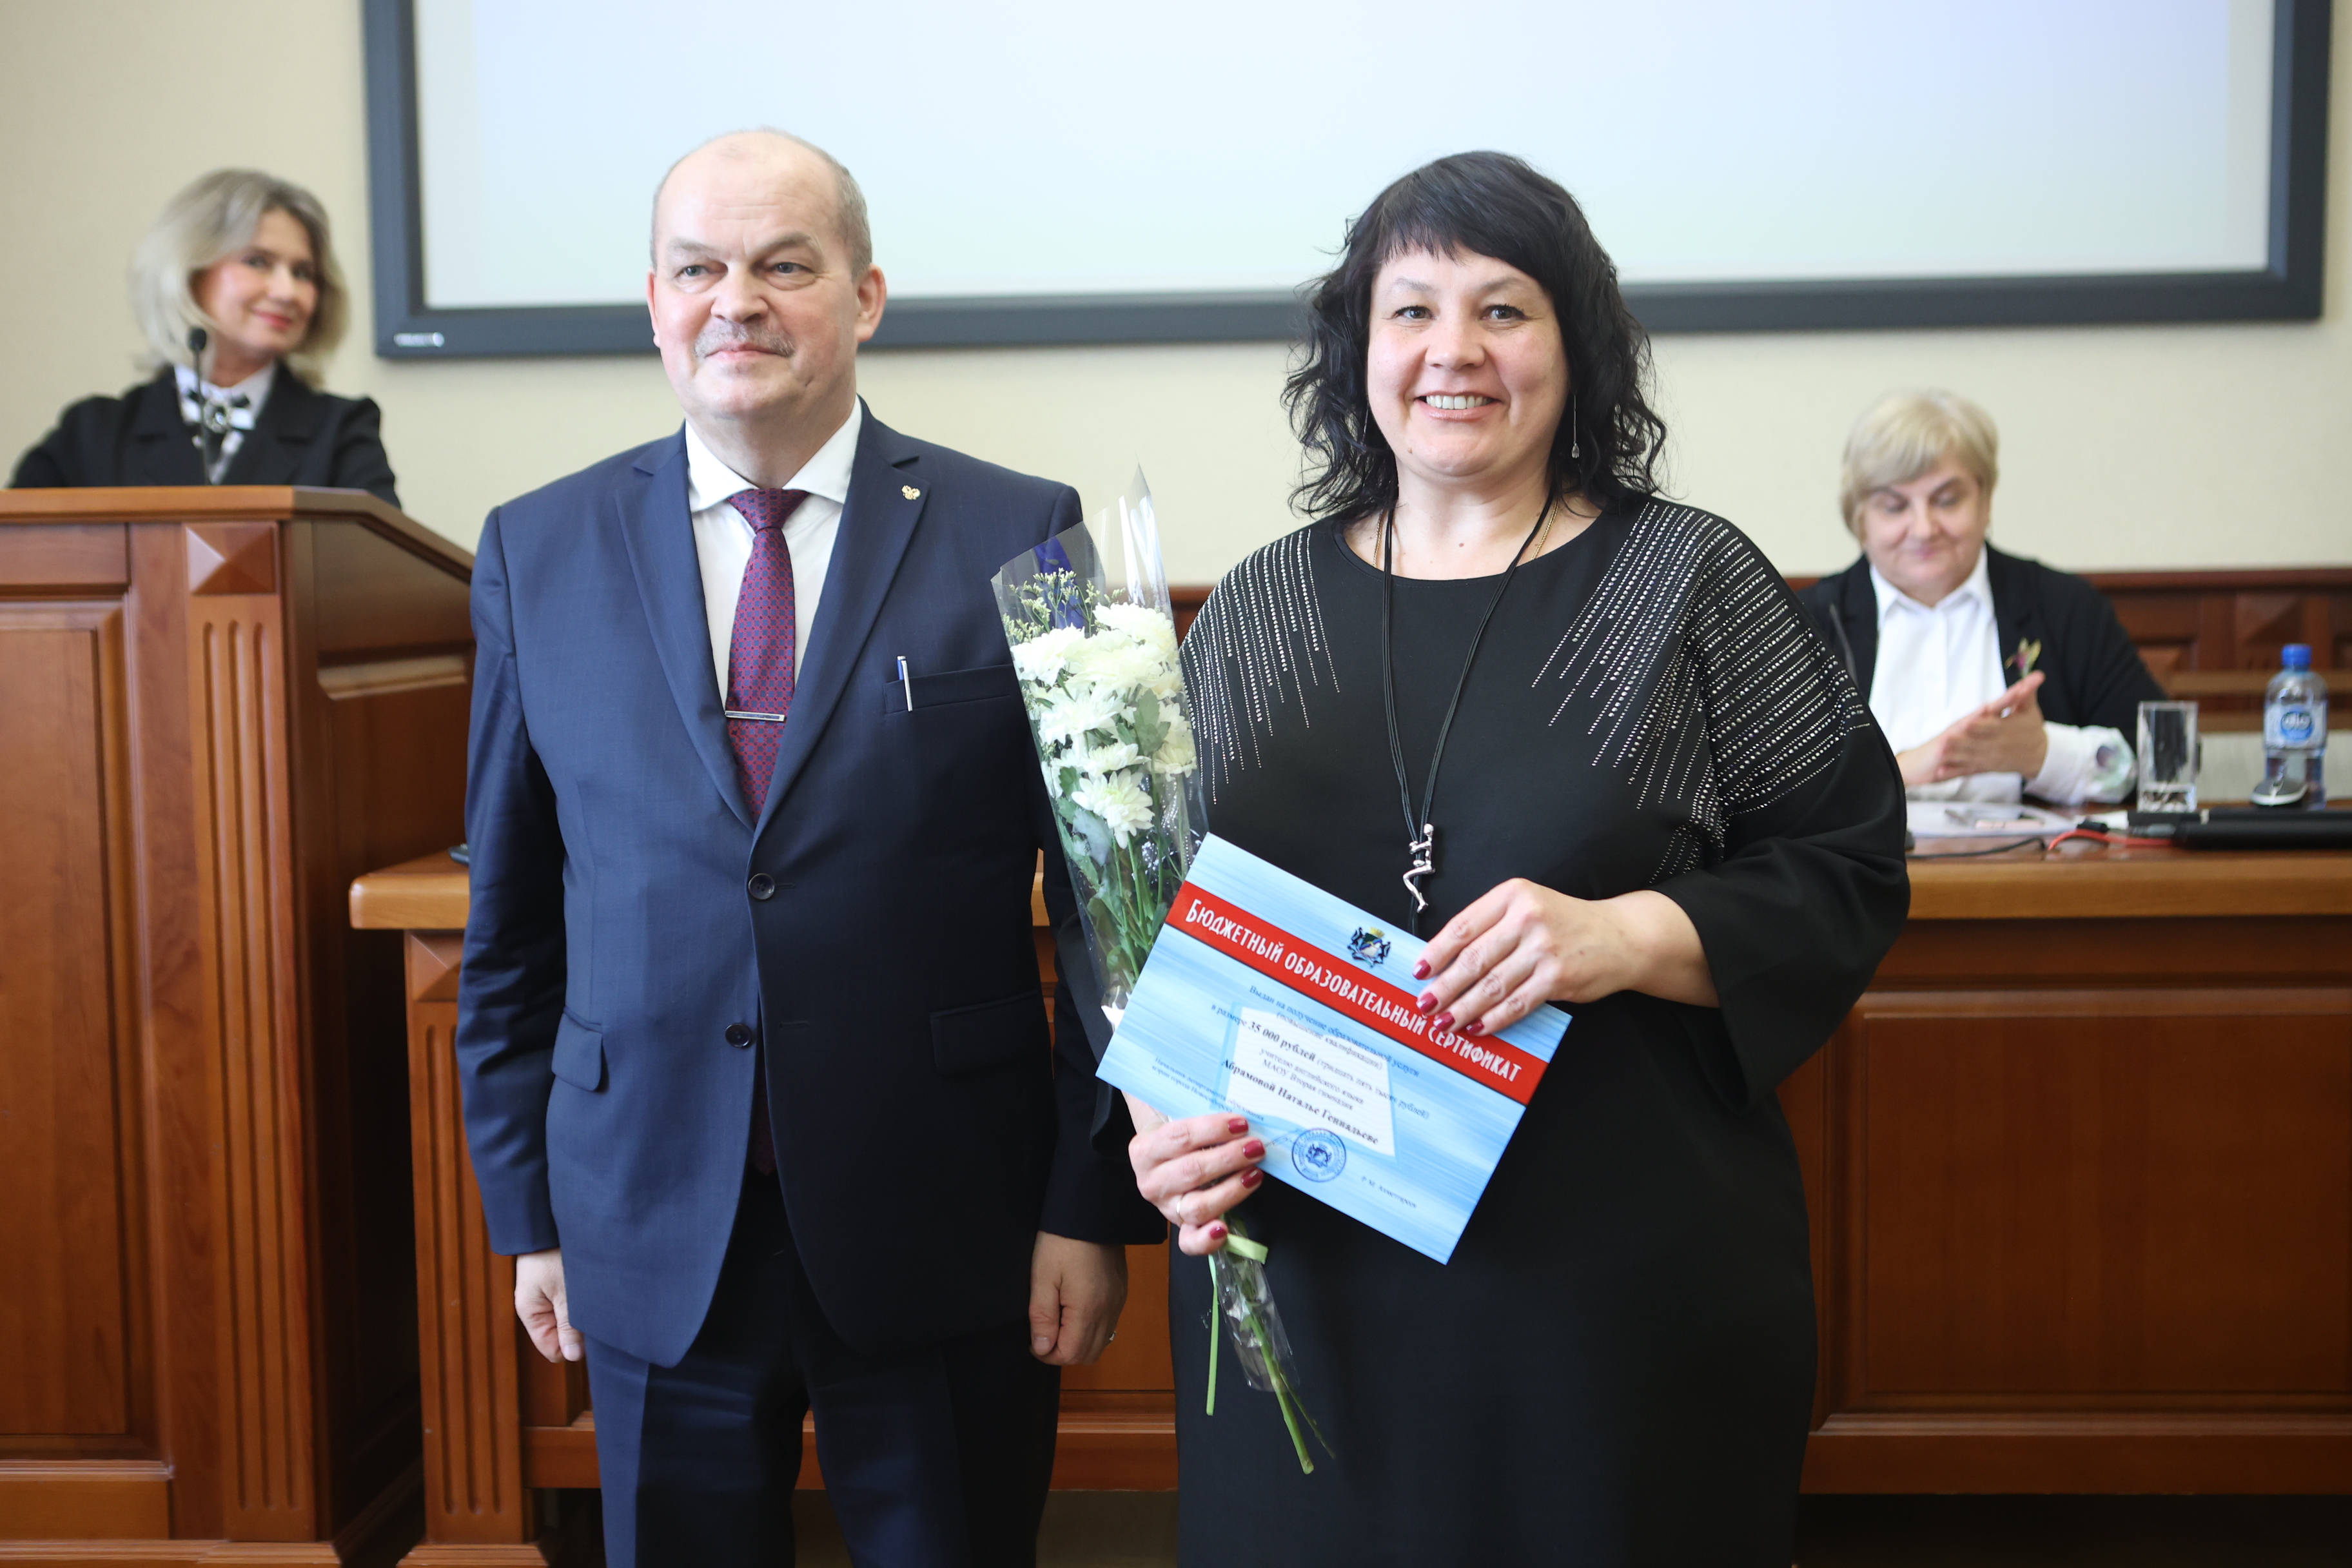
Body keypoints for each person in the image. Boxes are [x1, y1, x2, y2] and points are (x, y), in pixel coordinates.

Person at [1127, 152, 1908, 1565]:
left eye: (1503, 309)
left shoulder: (1687, 583)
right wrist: (1157, 1121)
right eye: (1412, 310)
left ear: (1575, 347)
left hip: (1612, 1294)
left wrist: (1623, 934)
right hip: (1307, 1289)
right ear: (1358, 349)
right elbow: (1146, 926)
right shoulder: (1255, 609)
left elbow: (1847, 865)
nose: (1454, 351)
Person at [456, 130, 1157, 1568]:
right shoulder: (536, 549)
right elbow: (512, 923)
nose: (738, 301)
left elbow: (1116, 910)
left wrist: (1089, 1202)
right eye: (698, 270)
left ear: (865, 295)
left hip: (947, 1222)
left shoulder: (1025, 529)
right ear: (654, 303)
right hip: (645, 1219)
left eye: (784, 265)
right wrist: (527, 1209)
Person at [1796, 390, 2164, 804]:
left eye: (1947, 500)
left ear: (1986, 501)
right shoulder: (1809, 622)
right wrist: (1901, 771)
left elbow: (2162, 759)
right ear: (1860, 518)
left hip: (2038, 849)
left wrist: (2044, 755)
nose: (1924, 529)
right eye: (1894, 507)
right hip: (1867, 852)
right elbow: (1769, 794)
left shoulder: (2064, 607)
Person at [12, 169, 398, 504]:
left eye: (302, 273)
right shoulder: (92, 433)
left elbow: (375, 562)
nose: (287, 292)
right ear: (188, 271)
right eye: (258, 262)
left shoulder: (343, 431)